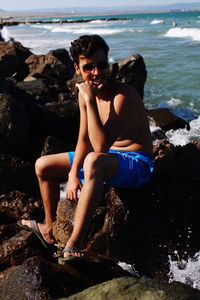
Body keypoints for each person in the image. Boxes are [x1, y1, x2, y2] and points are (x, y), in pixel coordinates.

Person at [18, 35, 153, 258]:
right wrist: (72, 174)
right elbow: (83, 139)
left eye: (102, 65)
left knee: (92, 160)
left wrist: (90, 101)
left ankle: (74, 243)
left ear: (108, 63)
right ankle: (49, 229)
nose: (97, 72)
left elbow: (99, 146)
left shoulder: (122, 96)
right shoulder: (85, 93)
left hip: (137, 164)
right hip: (106, 158)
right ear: (77, 68)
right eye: (89, 67)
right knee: (42, 165)